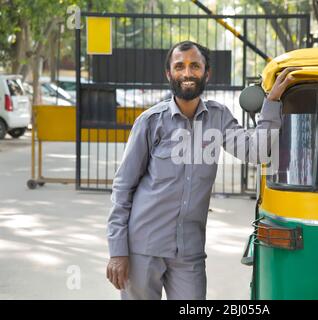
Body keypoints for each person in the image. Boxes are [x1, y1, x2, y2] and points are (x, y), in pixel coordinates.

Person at [106, 40, 298, 300]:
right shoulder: (151, 122)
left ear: (206, 73)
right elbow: (123, 187)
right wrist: (118, 251)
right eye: (180, 66)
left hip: (189, 252)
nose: (187, 73)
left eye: (195, 66)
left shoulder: (218, 117)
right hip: (143, 247)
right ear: (169, 74)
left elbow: (256, 152)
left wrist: (272, 101)